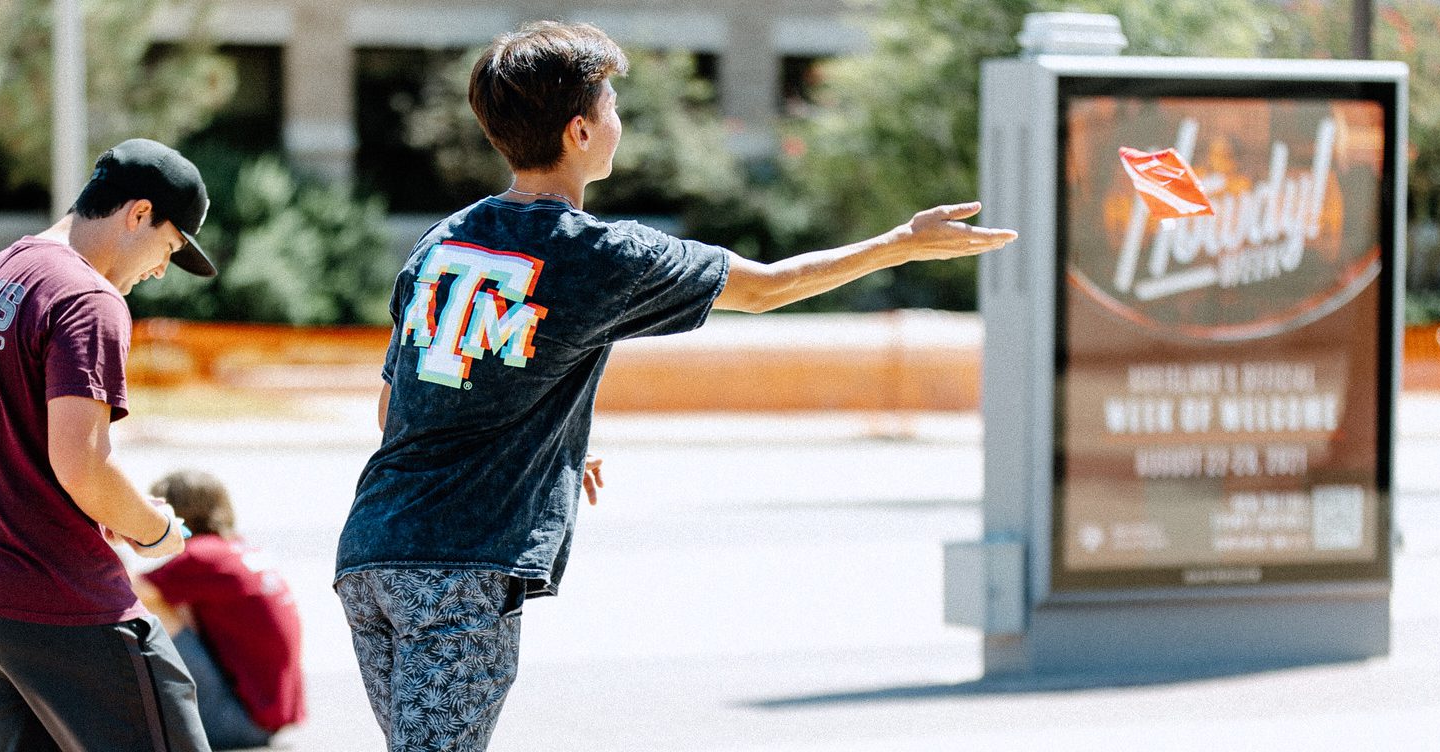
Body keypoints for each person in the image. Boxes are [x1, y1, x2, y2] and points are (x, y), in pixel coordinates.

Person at [332, 20, 1019, 751]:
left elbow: (396, 407)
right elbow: (764, 289)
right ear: (580, 132)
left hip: (372, 554)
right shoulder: (602, 255)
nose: (618, 120)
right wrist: (901, 244)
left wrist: (555, 441)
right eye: (612, 106)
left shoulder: (441, 241)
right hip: (459, 570)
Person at [0, 138, 218, 751]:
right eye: (168, 248)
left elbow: (3, 441)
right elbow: (82, 463)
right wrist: (154, 529)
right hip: (55, 600)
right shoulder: (89, 298)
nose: (161, 270)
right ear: (138, 214)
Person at [130, 470, 307, 750]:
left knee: (150, 607)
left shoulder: (202, 555)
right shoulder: (237, 549)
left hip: (239, 724)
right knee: (171, 601)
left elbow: (125, 590)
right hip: (267, 718)